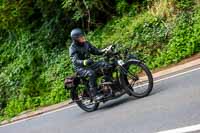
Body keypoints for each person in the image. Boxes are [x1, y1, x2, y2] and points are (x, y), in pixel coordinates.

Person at [69, 28, 111, 101]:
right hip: (80, 68)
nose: (83, 37)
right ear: (75, 39)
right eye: (80, 37)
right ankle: (95, 94)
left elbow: (96, 51)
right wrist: (84, 62)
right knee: (91, 73)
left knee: (105, 64)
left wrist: (105, 50)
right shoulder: (72, 48)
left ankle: (107, 84)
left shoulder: (86, 43)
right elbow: (75, 60)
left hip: (89, 65)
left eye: (83, 36)